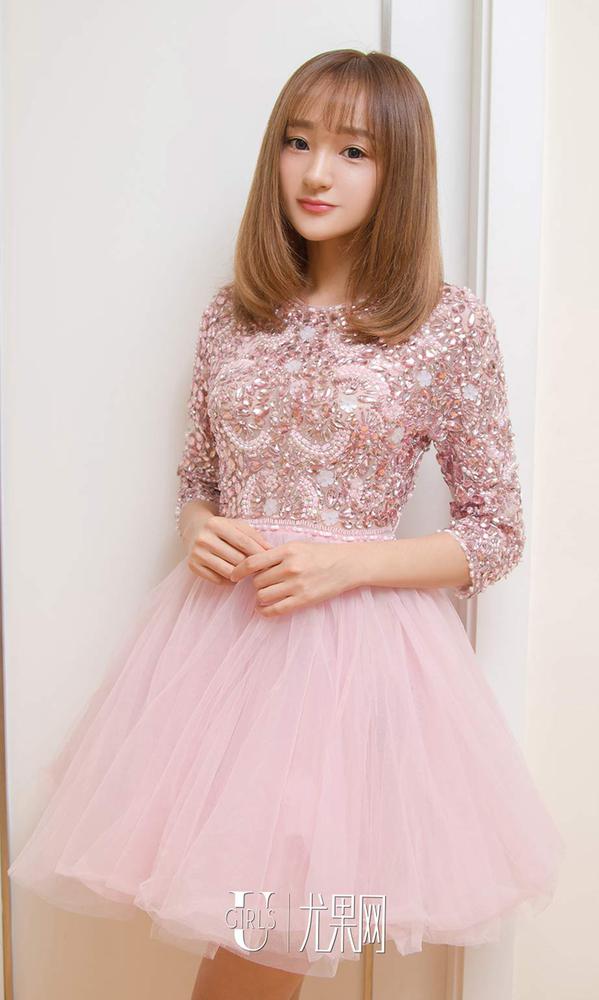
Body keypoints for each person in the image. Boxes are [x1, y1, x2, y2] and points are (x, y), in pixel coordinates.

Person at [8, 49, 565, 1000]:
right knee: (254, 926)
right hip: (216, 656)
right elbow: (199, 480)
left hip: (348, 666)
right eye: (298, 142)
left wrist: (347, 566)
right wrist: (196, 526)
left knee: (274, 933)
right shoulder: (233, 314)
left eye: (354, 151)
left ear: (399, 170)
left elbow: (495, 531)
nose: (316, 173)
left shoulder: (446, 325)